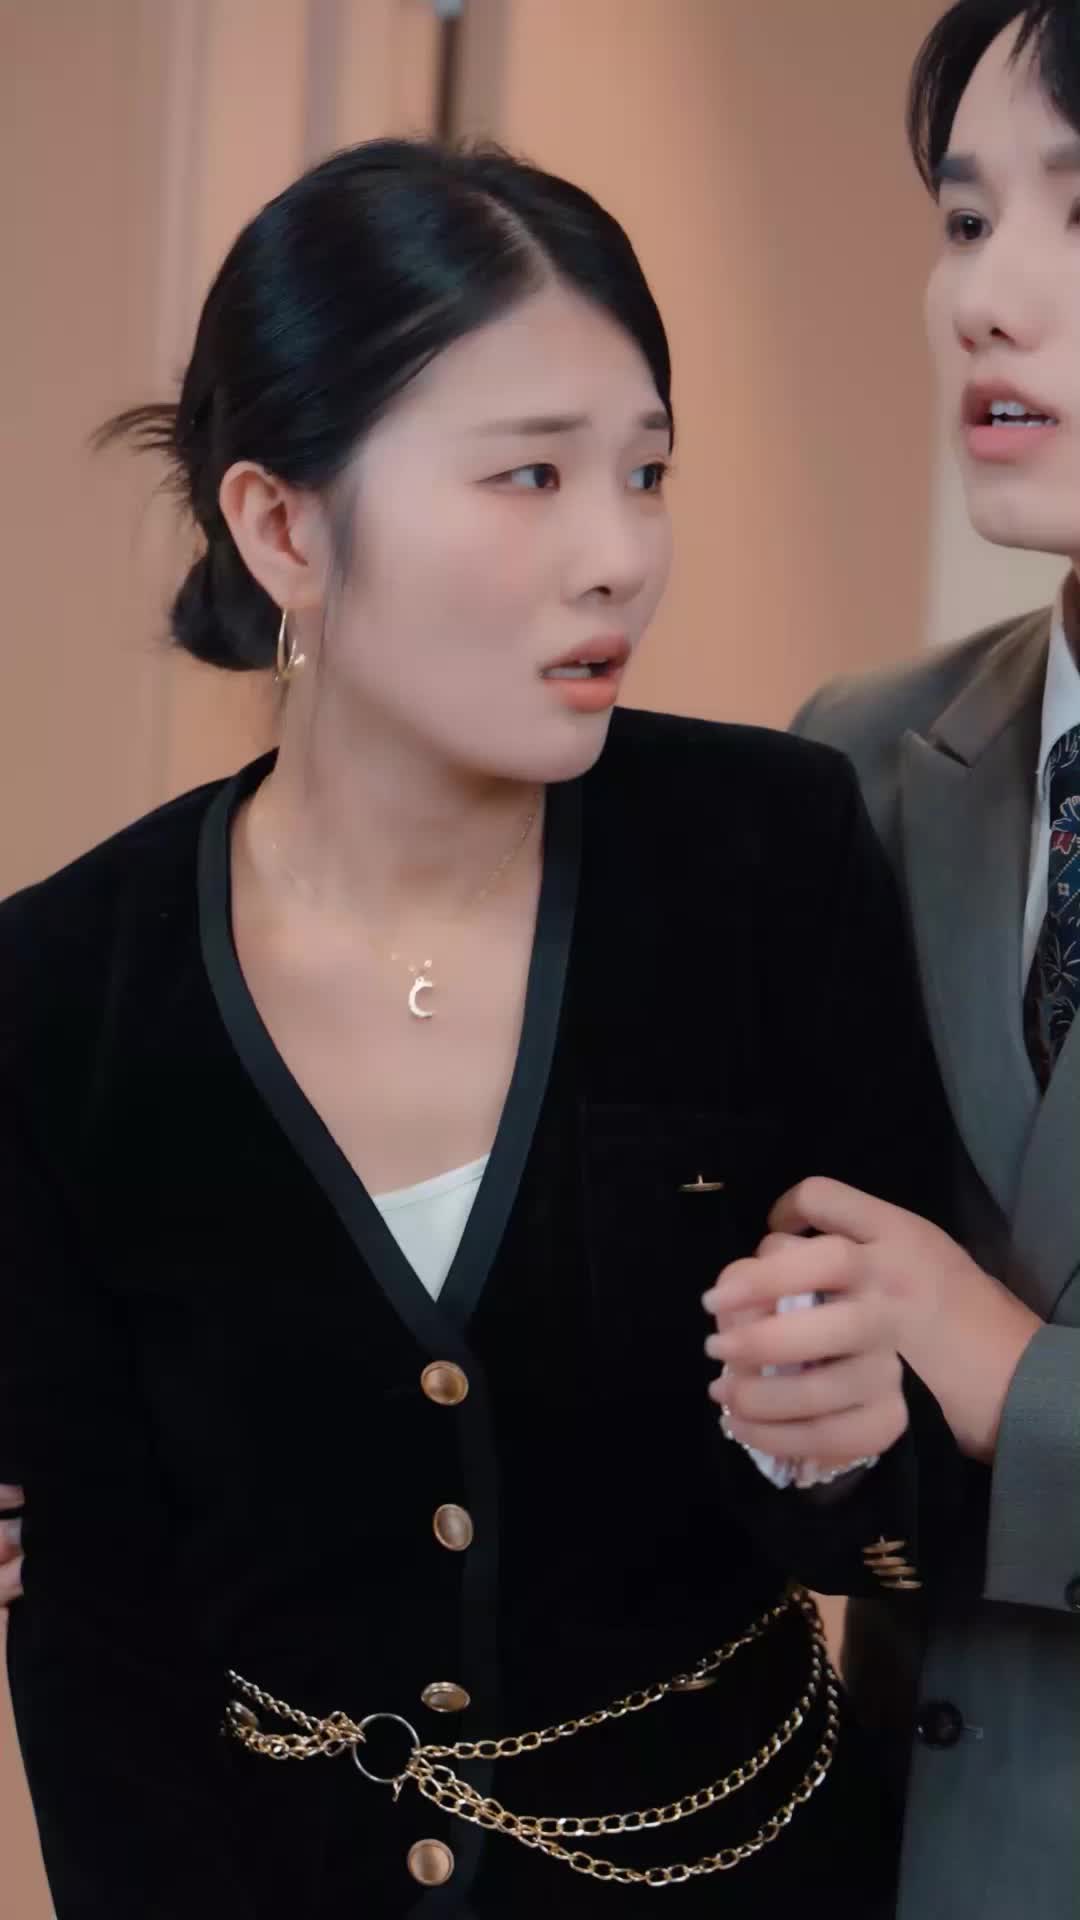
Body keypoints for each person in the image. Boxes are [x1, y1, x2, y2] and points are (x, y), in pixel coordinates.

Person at [1, 138, 973, 1919]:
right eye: (530, 474)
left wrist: (841, 1449)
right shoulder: (60, 987)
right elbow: (95, 1640)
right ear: (284, 527)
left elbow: (910, 1510)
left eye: (647, 473)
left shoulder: (766, 853)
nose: (621, 558)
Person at [777, 6, 1080, 1916]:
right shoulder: (859, 759)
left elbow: (966, 1355)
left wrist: (1008, 1376)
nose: (985, 296)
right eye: (966, 222)